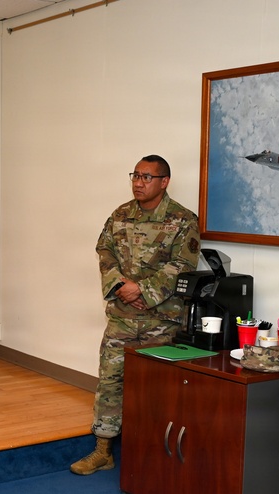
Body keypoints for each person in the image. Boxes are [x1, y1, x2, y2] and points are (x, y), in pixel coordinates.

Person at [71, 155, 201, 474]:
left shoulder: (183, 220)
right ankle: (103, 451)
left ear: (164, 182)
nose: (138, 183)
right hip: (122, 317)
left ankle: (152, 457)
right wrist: (121, 287)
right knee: (110, 381)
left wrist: (142, 291)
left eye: (146, 177)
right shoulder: (120, 215)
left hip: (161, 322)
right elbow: (105, 251)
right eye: (135, 176)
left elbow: (182, 265)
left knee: (157, 390)